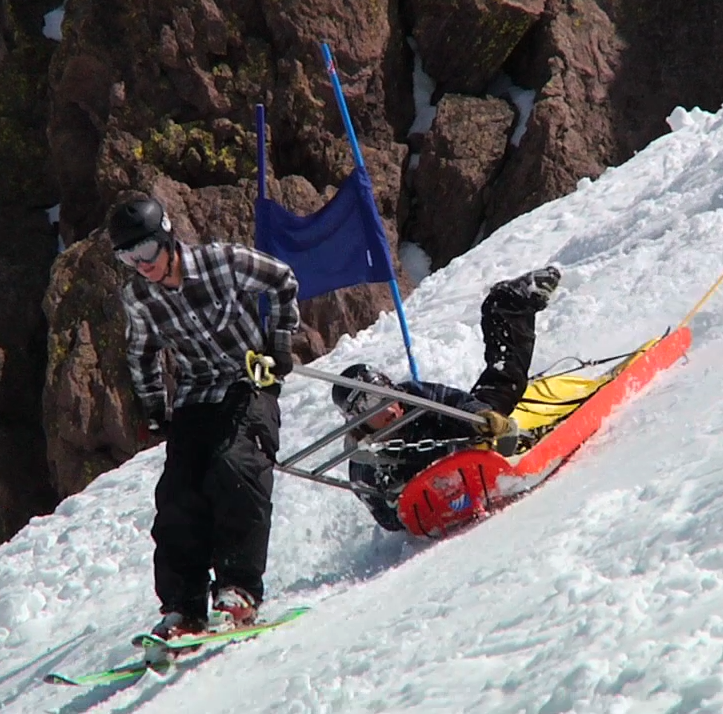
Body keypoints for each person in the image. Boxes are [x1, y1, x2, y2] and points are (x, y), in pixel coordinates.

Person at [112, 196, 300, 638]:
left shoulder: (222, 262)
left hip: (248, 380)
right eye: (128, 257)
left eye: (146, 251)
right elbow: (142, 352)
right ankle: (184, 608)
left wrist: (280, 341)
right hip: (196, 394)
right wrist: (154, 407)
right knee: (177, 493)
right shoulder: (138, 296)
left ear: (166, 238)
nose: (142, 265)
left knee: (234, 467)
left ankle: (239, 591)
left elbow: (282, 279)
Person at [332, 266, 561, 531]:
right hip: (435, 501)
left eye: (384, 394)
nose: (387, 408)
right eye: (369, 405)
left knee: (505, 384)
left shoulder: (412, 396)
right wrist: (403, 500)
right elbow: (388, 520)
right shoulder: (364, 464)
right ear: (356, 419)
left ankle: (507, 304)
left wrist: (480, 417)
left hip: (461, 438)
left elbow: (454, 401)